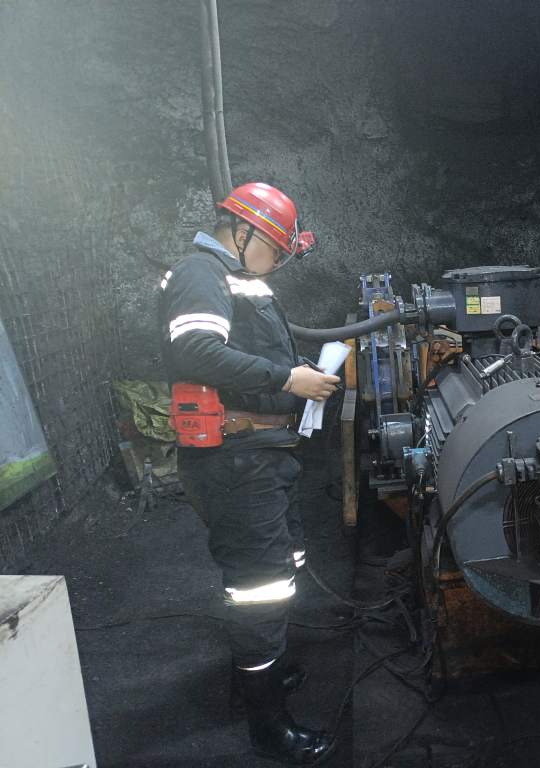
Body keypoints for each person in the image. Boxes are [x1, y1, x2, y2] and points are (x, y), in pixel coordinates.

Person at [159, 182, 339, 764]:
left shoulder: (235, 278)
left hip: (263, 453)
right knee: (258, 588)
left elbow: (250, 353)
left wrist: (297, 371)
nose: (278, 262)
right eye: (275, 250)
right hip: (236, 460)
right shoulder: (200, 273)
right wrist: (288, 379)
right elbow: (195, 351)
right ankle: (267, 725)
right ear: (243, 232)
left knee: (281, 568)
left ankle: (262, 673)